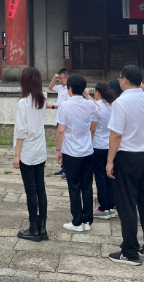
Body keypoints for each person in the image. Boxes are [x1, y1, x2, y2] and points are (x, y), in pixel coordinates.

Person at [106, 64, 144, 266]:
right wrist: (138, 82)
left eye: (121, 77)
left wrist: (109, 160)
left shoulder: (121, 102)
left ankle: (130, 251)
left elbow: (116, 134)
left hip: (127, 157)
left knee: (127, 205)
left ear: (124, 79)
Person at [56, 74, 96, 232]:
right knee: (87, 186)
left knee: (74, 187)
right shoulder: (90, 104)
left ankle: (77, 220)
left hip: (71, 151)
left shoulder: (65, 105)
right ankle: (87, 220)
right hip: (87, 150)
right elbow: (97, 115)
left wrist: (58, 149)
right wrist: (89, 96)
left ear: (70, 88)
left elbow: (61, 130)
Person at [13, 67, 49, 242]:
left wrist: (16, 154)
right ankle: (42, 228)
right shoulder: (43, 98)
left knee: (31, 190)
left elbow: (21, 131)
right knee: (40, 188)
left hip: (27, 149)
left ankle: (33, 228)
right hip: (40, 148)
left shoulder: (23, 103)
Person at [90, 82, 117, 220]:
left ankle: (103, 208)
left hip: (98, 145)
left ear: (97, 92)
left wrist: (89, 142)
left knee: (100, 177)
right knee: (110, 176)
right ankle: (111, 206)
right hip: (111, 145)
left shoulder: (97, 107)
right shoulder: (113, 106)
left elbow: (92, 129)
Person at [47, 69, 69, 177]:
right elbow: (50, 88)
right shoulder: (60, 87)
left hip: (66, 119)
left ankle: (67, 169)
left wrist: (52, 106)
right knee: (61, 143)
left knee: (65, 144)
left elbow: (66, 105)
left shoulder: (70, 89)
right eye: (59, 78)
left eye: (62, 78)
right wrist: (54, 79)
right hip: (59, 117)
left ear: (67, 77)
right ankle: (63, 167)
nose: (60, 81)